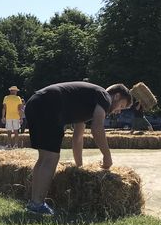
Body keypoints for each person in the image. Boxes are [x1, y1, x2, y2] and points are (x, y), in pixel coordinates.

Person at [23, 82, 133, 215]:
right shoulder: (105, 97)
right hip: (50, 104)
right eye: (121, 106)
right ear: (116, 96)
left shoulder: (87, 99)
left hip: (35, 102)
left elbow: (78, 137)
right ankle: (38, 204)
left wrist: (79, 166)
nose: (118, 111)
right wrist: (107, 156)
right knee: (51, 157)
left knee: (44, 157)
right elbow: (97, 128)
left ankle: (34, 202)